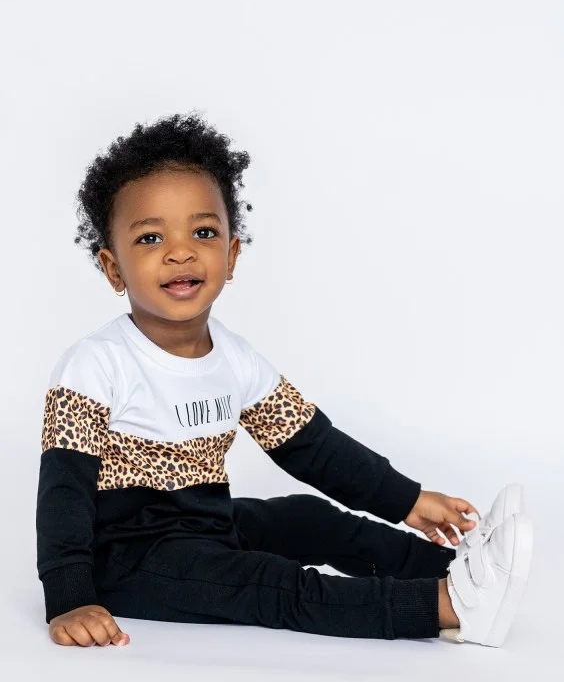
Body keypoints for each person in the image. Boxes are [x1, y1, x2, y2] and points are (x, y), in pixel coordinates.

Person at [36, 113, 533, 650]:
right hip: (128, 558)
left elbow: (314, 448)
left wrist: (409, 500)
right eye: (151, 237)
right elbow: (63, 492)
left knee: (307, 517)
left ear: (231, 255)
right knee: (270, 584)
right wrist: (69, 596)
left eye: (203, 232)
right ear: (113, 269)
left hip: (208, 525)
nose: (181, 251)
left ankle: (457, 569)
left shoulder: (235, 358)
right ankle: (447, 608)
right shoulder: (95, 364)